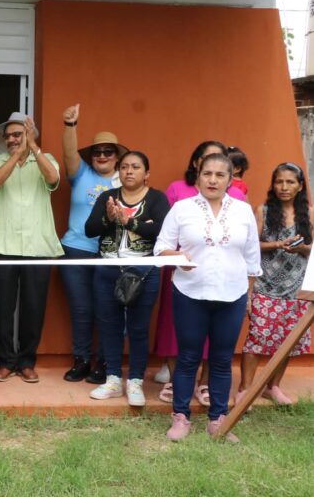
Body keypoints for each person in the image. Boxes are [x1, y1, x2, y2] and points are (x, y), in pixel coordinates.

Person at [156, 153, 261, 442]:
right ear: (198, 176)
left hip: (232, 293)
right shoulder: (182, 208)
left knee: (221, 358)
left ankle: (218, 419)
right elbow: (161, 247)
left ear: (230, 179)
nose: (213, 180)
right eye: (207, 174)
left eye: (220, 175)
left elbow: (252, 257)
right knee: (188, 357)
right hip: (190, 291)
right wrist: (177, 257)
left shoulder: (242, 211)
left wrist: (248, 295)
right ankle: (180, 417)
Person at [84, 151, 170, 405]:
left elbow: (162, 230)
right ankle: (112, 380)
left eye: (135, 167)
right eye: (124, 167)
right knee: (109, 326)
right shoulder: (106, 197)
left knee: (138, 328)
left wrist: (129, 222)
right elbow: (90, 230)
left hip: (143, 272)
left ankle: (135, 382)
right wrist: (108, 219)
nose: (129, 171)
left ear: (147, 173)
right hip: (107, 270)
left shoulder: (157, 198)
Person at [0, 112, 63, 383]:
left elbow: (53, 179)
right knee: (3, 307)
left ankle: (27, 361)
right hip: (3, 244)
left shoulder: (46, 158)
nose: (11, 139)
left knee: (34, 307)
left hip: (38, 245)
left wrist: (34, 150)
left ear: (30, 135)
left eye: (17, 135)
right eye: (8, 136)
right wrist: (17, 155)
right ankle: (6, 361)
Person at [58, 104, 124, 384]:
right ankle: (82, 359)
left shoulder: (126, 179)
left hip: (111, 253)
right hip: (76, 248)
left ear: (117, 156)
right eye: (97, 152)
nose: (102, 156)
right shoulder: (82, 173)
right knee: (82, 309)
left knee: (108, 309)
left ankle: (104, 362)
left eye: (108, 152)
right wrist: (71, 125)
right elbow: (69, 154)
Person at [238, 163, 311, 406]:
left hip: (296, 289)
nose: (284, 187)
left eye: (290, 182)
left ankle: (273, 386)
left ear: (300, 186)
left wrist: (303, 248)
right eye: (279, 182)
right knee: (256, 338)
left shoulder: (310, 214)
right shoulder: (264, 210)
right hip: (264, 285)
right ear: (273, 184)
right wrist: (278, 245)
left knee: (289, 340)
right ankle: (245, 388)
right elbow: (251, 245)